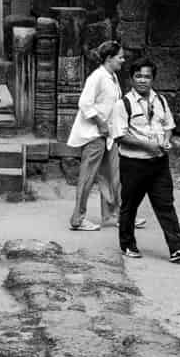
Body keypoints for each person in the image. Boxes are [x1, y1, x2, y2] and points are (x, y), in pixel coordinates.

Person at [113, 59, 180, 263]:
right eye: (138, 76)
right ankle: (128, 245)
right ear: (131, 79)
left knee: (166, 205)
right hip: (134, 164)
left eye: (147, 76)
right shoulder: (123, 105)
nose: (143, 80)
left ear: (153, 79)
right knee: (130, 206)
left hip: (159, 163)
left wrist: (166, 141)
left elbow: (168, 125)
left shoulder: (161, 101)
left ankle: (177, 248)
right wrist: (147, 145)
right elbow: (120, 136)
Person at [66, 40, 125, 231]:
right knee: (88, 177)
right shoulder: (97, 77)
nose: (123, 61)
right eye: (120, 57)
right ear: (109, 58)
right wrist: (100, 123)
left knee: (112, 175)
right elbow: (84, 103)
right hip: (94, 135)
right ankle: (78, 218)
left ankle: (113, 215)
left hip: (109, 135)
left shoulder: (112, 77)